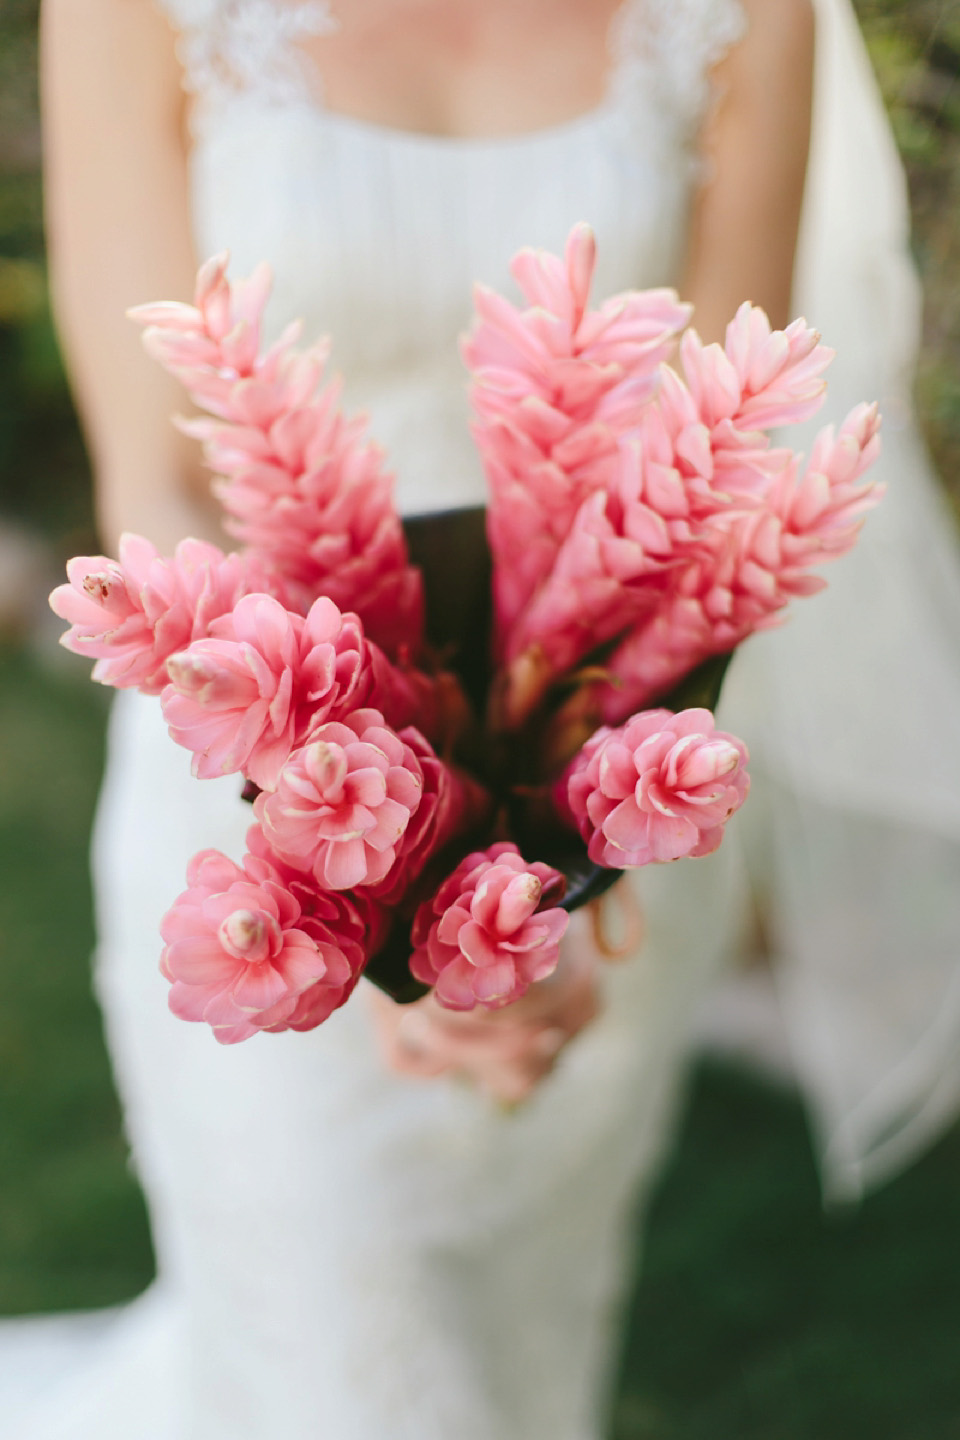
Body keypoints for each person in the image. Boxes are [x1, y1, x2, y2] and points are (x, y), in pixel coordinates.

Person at [4, 0, 958, 1435]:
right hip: (263, 814)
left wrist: (560, 884)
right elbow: (156, 478)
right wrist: (375, 888)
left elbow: (708, 487)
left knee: (519, 1356)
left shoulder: (741, 17)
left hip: (593, 825)